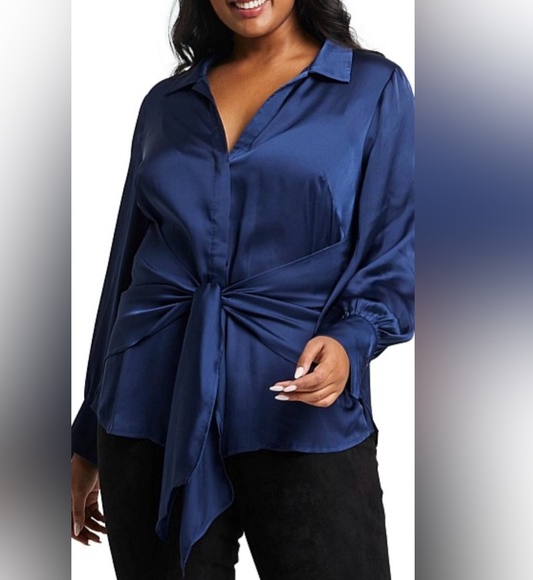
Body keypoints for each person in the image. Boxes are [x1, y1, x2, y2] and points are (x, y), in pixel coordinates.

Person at [71, 1, 414, 578]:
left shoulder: (372, 88)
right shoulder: (166, 103)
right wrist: (85, 437)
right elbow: (124, 269)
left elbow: (396, 246)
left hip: (296, 399)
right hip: (149, 404)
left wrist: (352, 339)